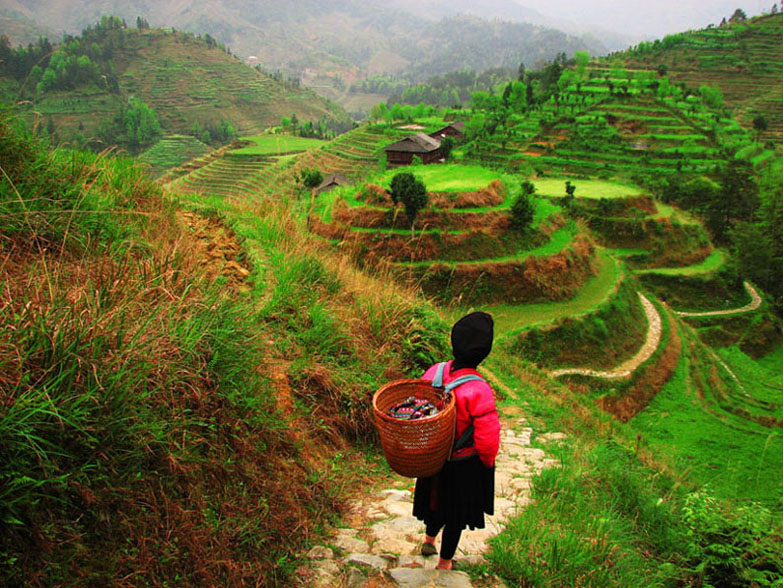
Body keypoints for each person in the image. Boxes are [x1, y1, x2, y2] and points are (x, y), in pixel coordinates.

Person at [413, 311, 501, 570]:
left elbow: (419, 404)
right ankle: (445, 563)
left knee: (434, 503)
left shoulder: (434, 372)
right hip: (462, 466)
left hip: (434, 460)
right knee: (455, 516)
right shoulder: (480, 390)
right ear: (484, 353)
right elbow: (487, 439)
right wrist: (486, 462)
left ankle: (429, 538)